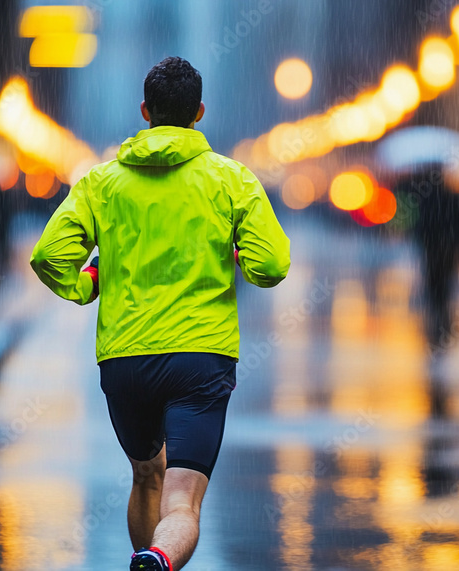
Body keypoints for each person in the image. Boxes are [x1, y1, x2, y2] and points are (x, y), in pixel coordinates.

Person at [30, 56, 290, 570]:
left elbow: (48, 257)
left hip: (125, 363)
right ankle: (159, 559)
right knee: (182, 501)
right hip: (201, 359)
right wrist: (237, 256)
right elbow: (272, 264)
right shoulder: (230, 180)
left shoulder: (100, 183)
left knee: (147, 473)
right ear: (199, 112)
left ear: (145, 110)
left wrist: (88, 285)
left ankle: (144, 560)